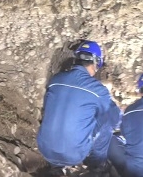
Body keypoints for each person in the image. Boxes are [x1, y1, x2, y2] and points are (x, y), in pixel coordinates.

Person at [37, 40, 121, 172]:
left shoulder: (55, 80)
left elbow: (47, 108)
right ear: (96, 62)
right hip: (74, 155)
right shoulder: (98, 90)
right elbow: (115, 120)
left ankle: (56, 168)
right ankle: (97, 166)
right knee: (107, 121)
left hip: (45, 149)